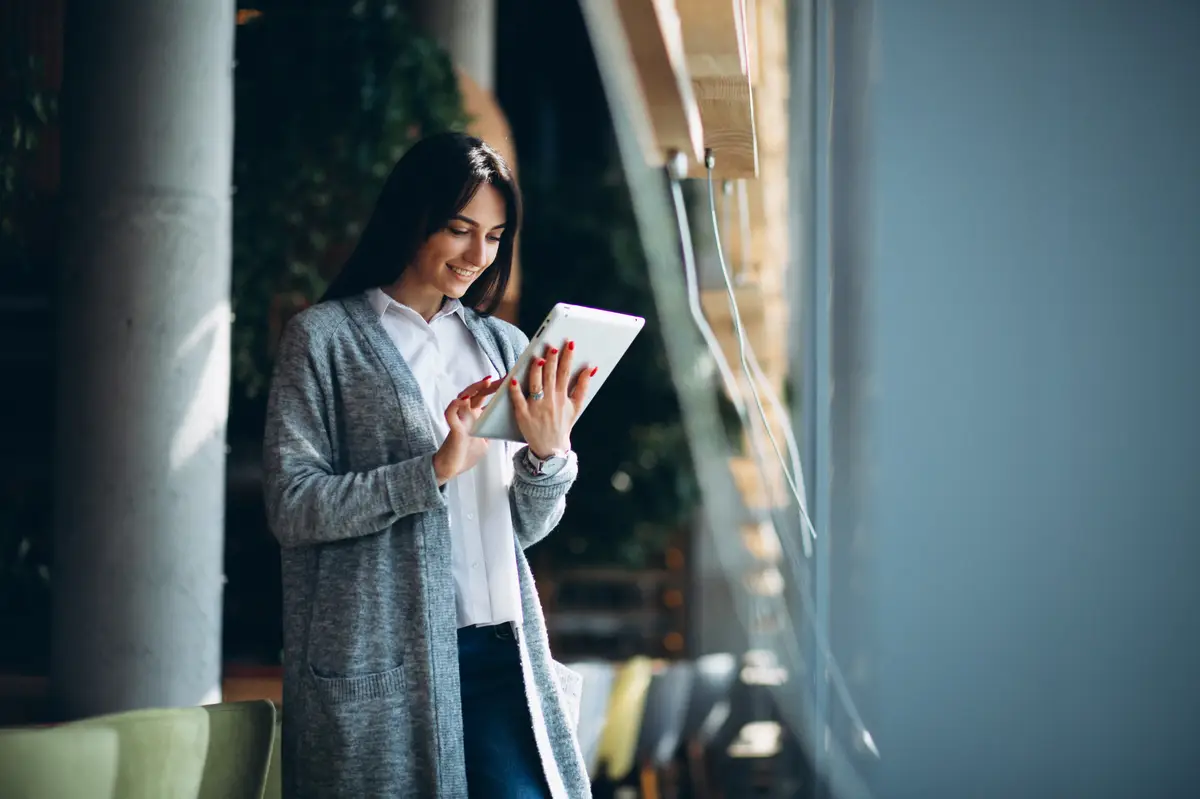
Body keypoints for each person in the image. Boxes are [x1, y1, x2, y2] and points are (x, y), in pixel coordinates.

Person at [263, 132, 594, 798]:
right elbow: (293, 507)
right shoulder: (323, 338)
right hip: (390, 662)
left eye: (496, 236)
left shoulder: (502, 345)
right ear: (412, 217)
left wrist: (546, 454)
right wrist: (433, 469)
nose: (479, 255)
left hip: (505, 648)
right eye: (459, 229)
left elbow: (520, 529)